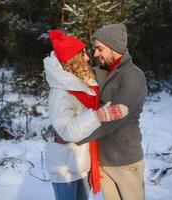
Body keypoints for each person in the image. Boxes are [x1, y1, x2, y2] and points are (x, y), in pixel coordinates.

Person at [43, 29, 128, 200]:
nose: (88, 58)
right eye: (83, 54)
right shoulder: (61, 92)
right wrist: (98, 116)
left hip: (82, 162)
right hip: (65, 166)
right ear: (72, 60)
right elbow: (67, 130)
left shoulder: (84, 85)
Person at [77, 24, 147, 200]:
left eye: (99, 49)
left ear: (115, 48)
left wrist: (73, 136)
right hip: (104, 161)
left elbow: (114, 117)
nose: (95, 54)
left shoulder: (132, 75)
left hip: (125, 162)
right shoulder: (103, 72)